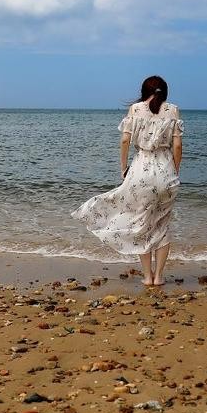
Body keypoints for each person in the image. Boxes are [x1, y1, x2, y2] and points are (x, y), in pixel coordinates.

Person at [71, 75, 183, 286]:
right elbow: (177, 147)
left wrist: (123, 168)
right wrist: (174, 171)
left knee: (142, 224)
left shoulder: (135, 110)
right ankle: (159, 277)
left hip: (141, 171)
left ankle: (147, 277)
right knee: (163, 225)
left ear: (144, 91)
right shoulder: (173, 110)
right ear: (164, 92)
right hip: (166, 173)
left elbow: (125, 139)